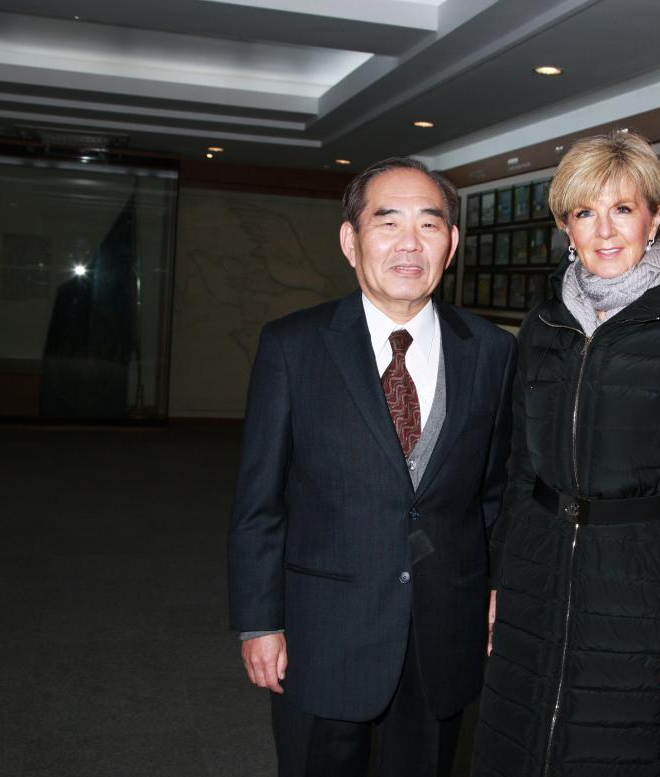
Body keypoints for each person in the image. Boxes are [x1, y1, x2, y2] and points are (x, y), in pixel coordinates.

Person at [472, 132, 660, 777]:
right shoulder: (542, 328)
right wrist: (498, 578)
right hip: (536, 565)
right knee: (522, 746)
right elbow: (518, 468)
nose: (604, 231)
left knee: (625, 751)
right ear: (564, 226)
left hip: (645, 580)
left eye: (622, 209)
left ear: (655, 216)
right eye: (584, 212)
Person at [228, 157, 516, 777]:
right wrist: (258, 621)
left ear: (453, 243)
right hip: (322, 632)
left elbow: (496, 491)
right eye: (388, 223)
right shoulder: (293, 346)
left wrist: (496, 587)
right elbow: (260, 501)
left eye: (429, 225)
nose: (409, 243)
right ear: (350, 241)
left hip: (444, 627)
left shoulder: (492, 351)